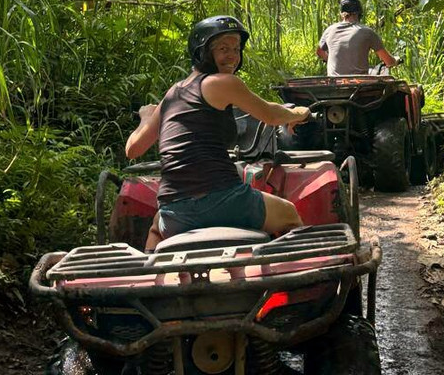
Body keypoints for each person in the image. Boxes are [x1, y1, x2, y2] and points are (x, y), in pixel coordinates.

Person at [125, 15, 311, 249]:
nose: (233, 56)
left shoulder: (172, 94)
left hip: (174, 212)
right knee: (289, 213)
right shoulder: (222, 82)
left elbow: (133, 149)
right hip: (224, 199)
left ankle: (151, 266)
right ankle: (296, 270)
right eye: (223, 48)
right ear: (203, 52)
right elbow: (271, 115)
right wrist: (299, 113)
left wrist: (146, 117)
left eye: (236, 49)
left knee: (156, 227)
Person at [316, 0, 399, 76]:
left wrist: (331, 60)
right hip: (360, 83)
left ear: (341, 14)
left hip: (334, 83)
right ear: (360, 14)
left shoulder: (330, 30)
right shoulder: (367, 32)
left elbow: (319, 52)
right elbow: (389, 62)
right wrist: (395, 60)